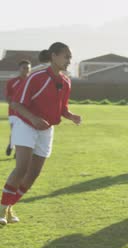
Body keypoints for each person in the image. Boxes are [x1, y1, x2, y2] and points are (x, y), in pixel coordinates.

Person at [0, 42, 82, 226]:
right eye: (66, 56)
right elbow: (16, 104)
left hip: (46, 129)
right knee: (22, 167)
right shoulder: (36, 77)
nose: (69, 60)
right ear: (54, 56)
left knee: (34, 174)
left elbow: (63, 108)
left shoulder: (66, 81)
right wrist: (34, 119)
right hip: (26, 124)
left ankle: (9, 206)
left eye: (70, 57)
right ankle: (2, 209)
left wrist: (71, 116)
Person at [4, 60, 32, 157]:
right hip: (13, 112)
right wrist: (15, 106)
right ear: (19, 69)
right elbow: (8, 97)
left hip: (27, 112)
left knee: (23, 133)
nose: (26, 70)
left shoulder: (32, 82)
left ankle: (17, 152)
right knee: (15, 131)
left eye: (28, 68)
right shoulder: (12, 82)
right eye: (24, 68)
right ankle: (12, 145)